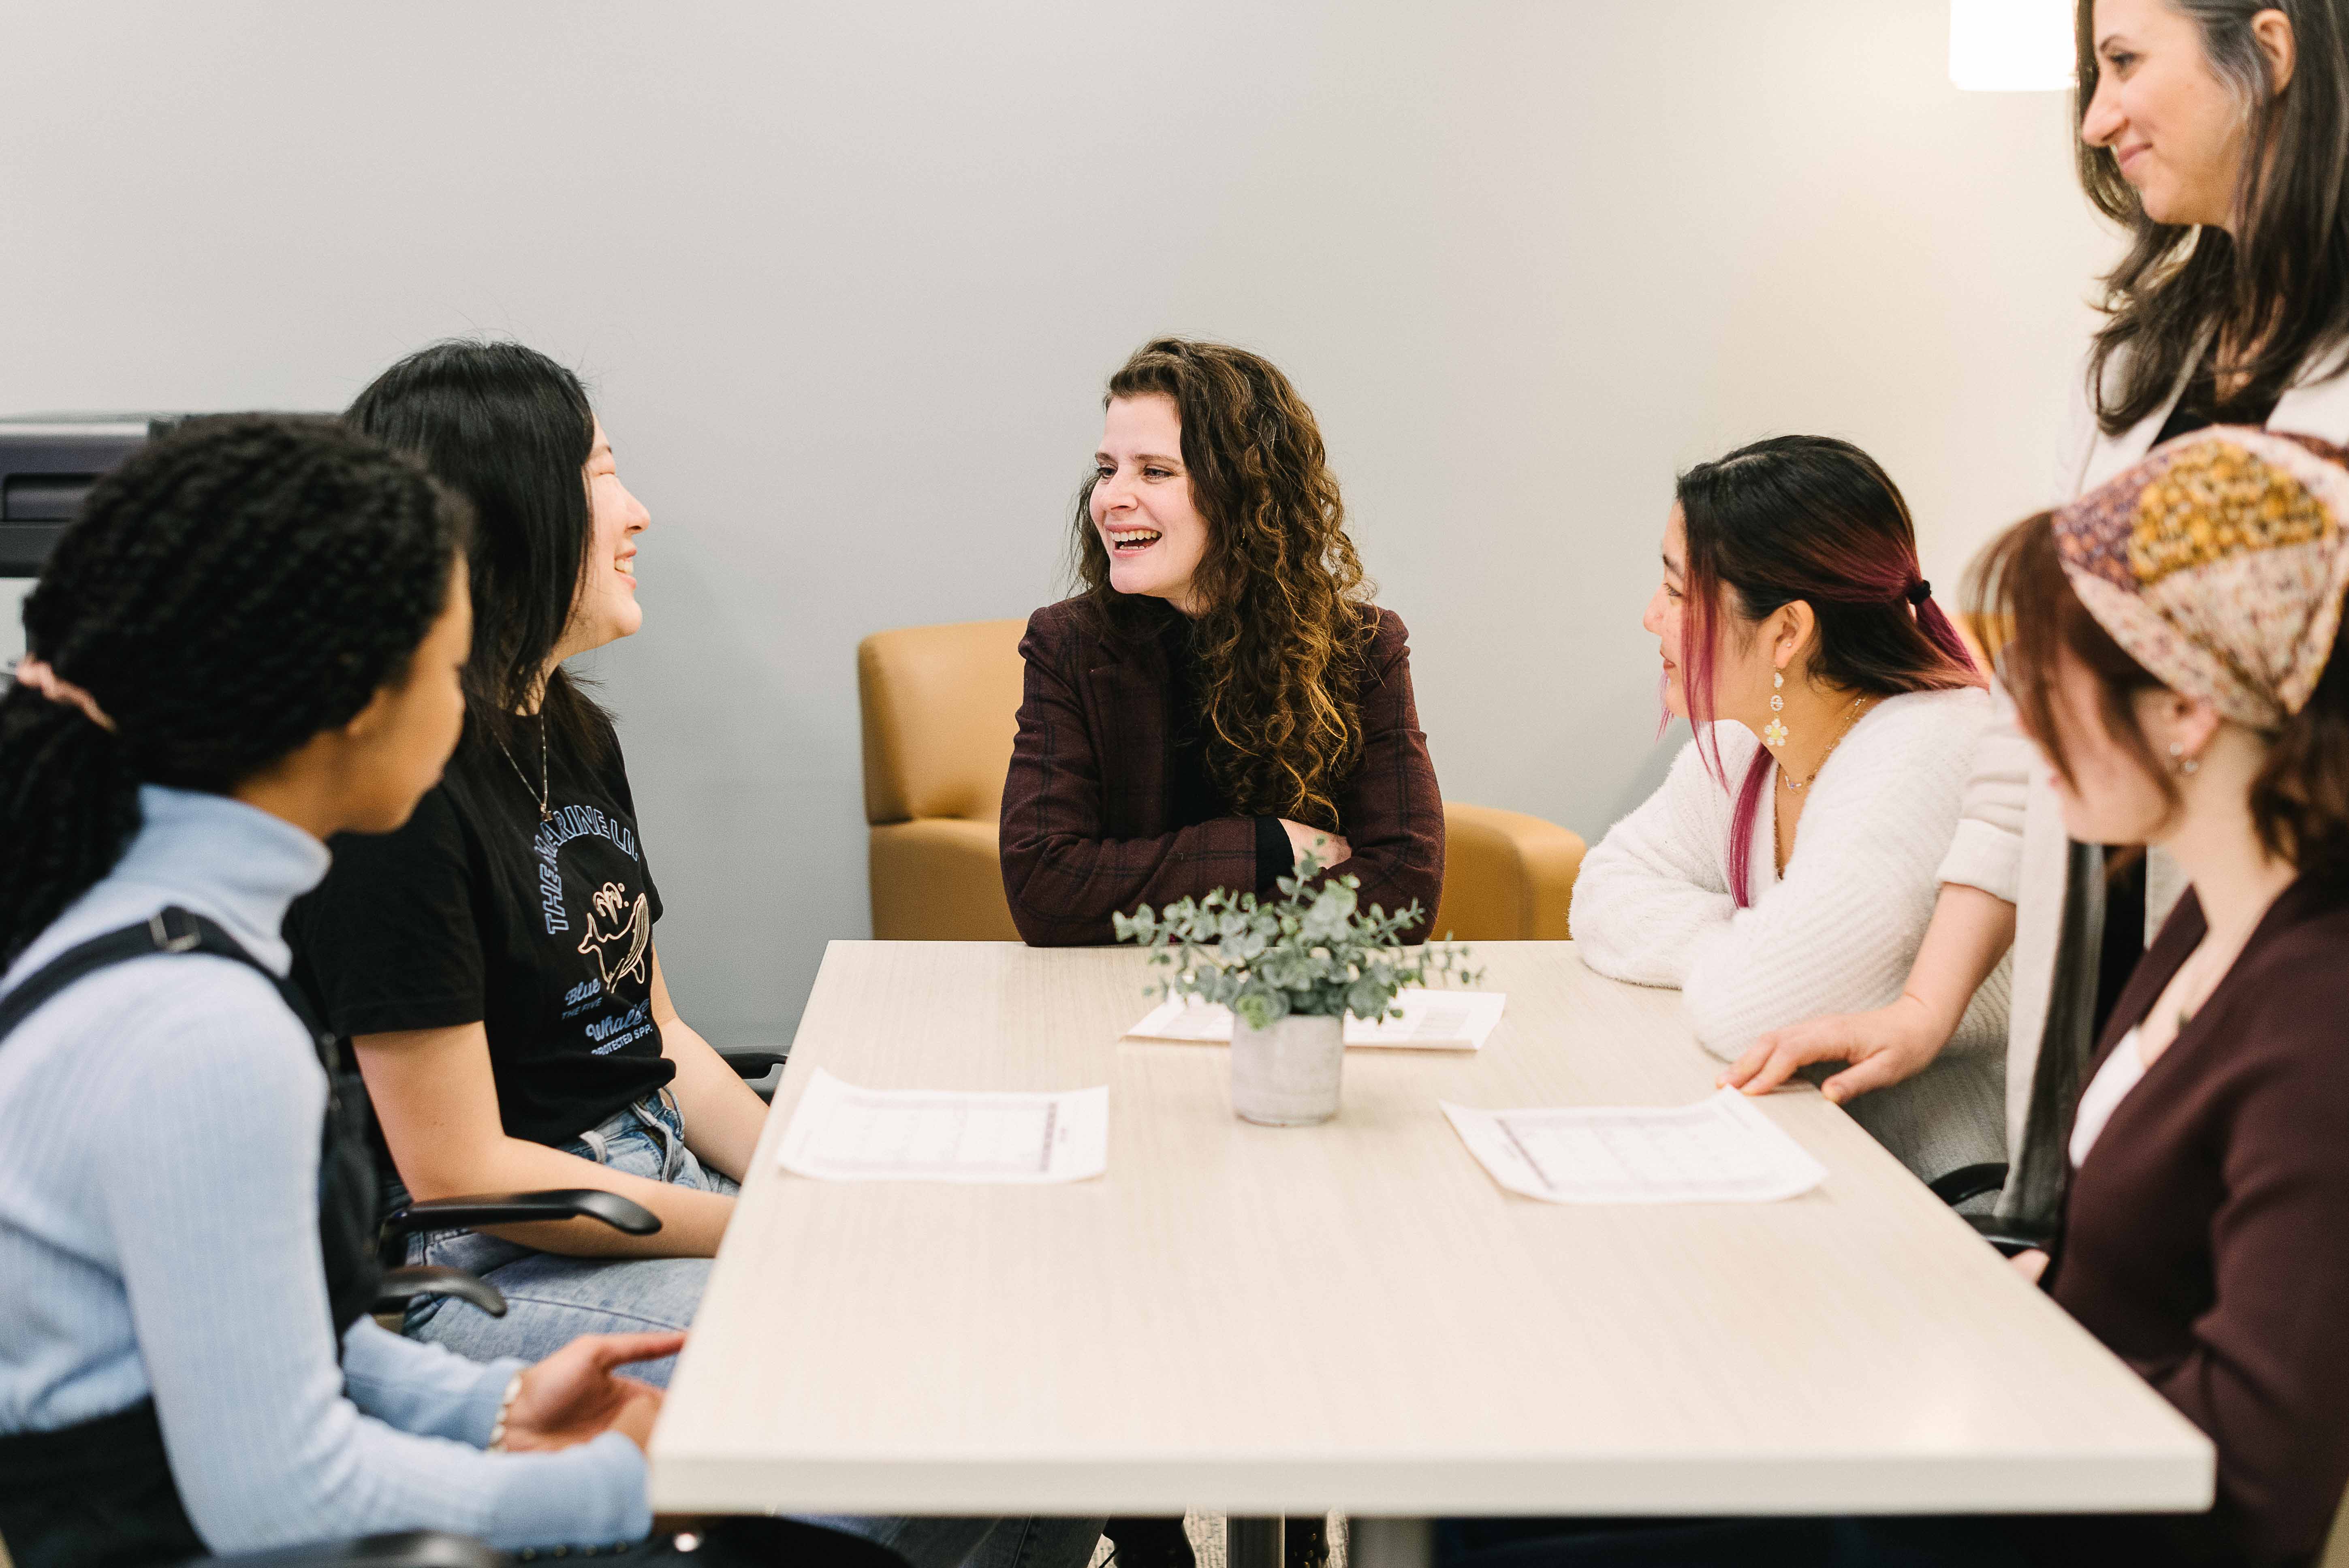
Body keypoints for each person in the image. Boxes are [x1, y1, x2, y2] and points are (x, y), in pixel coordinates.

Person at [1450, 429, 2349, 1568]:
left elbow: (2254, 1492)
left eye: (2054, 682)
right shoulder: (2202, 936)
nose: (2009, 732)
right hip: (2002, 1426)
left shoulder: (2314, 1016)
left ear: (2188, 708)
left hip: (2026, 1497)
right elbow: (2119, 1280)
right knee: (1487, 1487)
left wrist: (1981, 1364)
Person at [288, 340, 1103, 1568]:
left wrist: (825, 1190)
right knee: (929, 1385)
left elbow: (658, 1035)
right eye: (604, 473)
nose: (639, 511)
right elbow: (461, 1168)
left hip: (650, 1184)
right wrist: (780, 1230)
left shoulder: (569, 731)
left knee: (1022, 1325)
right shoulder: (402, 795)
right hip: (508, 1257)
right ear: (510, 512)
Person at [0, 417, 690, 1562]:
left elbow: (251, 1328)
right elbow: (283, 1495)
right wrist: (627, 1486)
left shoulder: (153, 932)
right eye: (448, 654)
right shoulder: (199, 1032)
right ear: (359, 696)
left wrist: (496, 1407)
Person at [1728, 0, 2349, 1230]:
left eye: (2122, 63)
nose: (2096, 114)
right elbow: (2032, 717)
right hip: (2108, 993)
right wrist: (1926, 1002)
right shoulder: (2134, 374)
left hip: (2285, 999)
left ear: (2267, 51)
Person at [1568, 436, 2004, 1185]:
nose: (1650, 617)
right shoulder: (1748, 750)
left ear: (1787, 632)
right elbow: (1603, 892)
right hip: (1818, 1153)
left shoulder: (1926, 743)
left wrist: (1771, 962)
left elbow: (1744, 1008)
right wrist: (1764, 942)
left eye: (1676, 593)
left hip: (1956, 1190)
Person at [999, 337, 1444, 949]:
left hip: (1290, 1008)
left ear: (1243, 495)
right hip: (1104, 1002)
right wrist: (1268, 846)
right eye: (1107, 470)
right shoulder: (1067, 645)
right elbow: (1044, 889)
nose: (1111, 498)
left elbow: (1403, 889)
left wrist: (1153, 890)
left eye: (1154, 471)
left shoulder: (1363, 646)